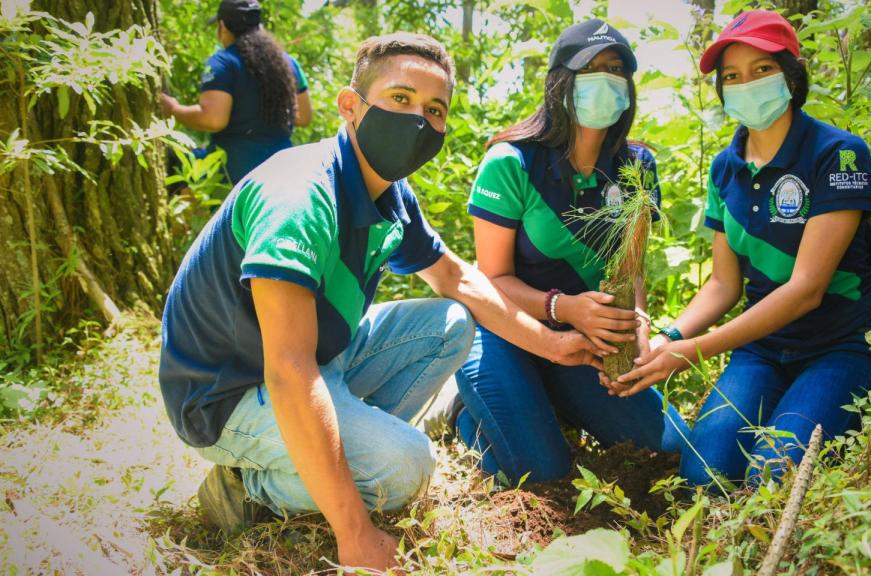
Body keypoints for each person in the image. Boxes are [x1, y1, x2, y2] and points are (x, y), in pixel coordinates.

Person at [158, 32, 600, 572]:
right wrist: (356, 534)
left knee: (451, 322)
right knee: (406, 468)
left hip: (316, 357)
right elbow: (289, 371)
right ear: (350, 106)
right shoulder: (300, 196)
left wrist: (553, 344)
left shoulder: (388, 193)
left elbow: (457, 279)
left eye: (433, 109)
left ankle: (334, 453)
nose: (418, 119)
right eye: (400, 99)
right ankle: (250, 488)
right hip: (227, 391)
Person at [606, 10, 871, 491]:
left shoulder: (838, 153)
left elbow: (806, 289)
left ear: (791, 75)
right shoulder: (726, 167)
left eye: (762, 70)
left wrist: (692, 351)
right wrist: (667, 337)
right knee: (702, 476)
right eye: (732, 76)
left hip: (840, 346)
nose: (747, 84)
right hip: (761, 349)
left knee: (773, 474)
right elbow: (723, 284)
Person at [451, 19, 691, 484]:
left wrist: (634, 330)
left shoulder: (637, 166)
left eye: (616, 68)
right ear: (560, 83)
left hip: (587, 342)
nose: (605, 78)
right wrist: (565, 307)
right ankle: (469, 413)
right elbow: (491, 280)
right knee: (543, 473)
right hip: (507, 330)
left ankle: (555, 401)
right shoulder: (512, 162)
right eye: (589, 69)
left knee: (668, 453)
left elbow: (631, 273)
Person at [160, 0, 313, 184]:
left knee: (172, 159)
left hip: (233, 171)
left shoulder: (223, 63)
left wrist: (174, 109)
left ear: (223, 27)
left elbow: (213, 120)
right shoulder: (288, 64)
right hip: (280, 168)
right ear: (259, 26)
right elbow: (303, 117)